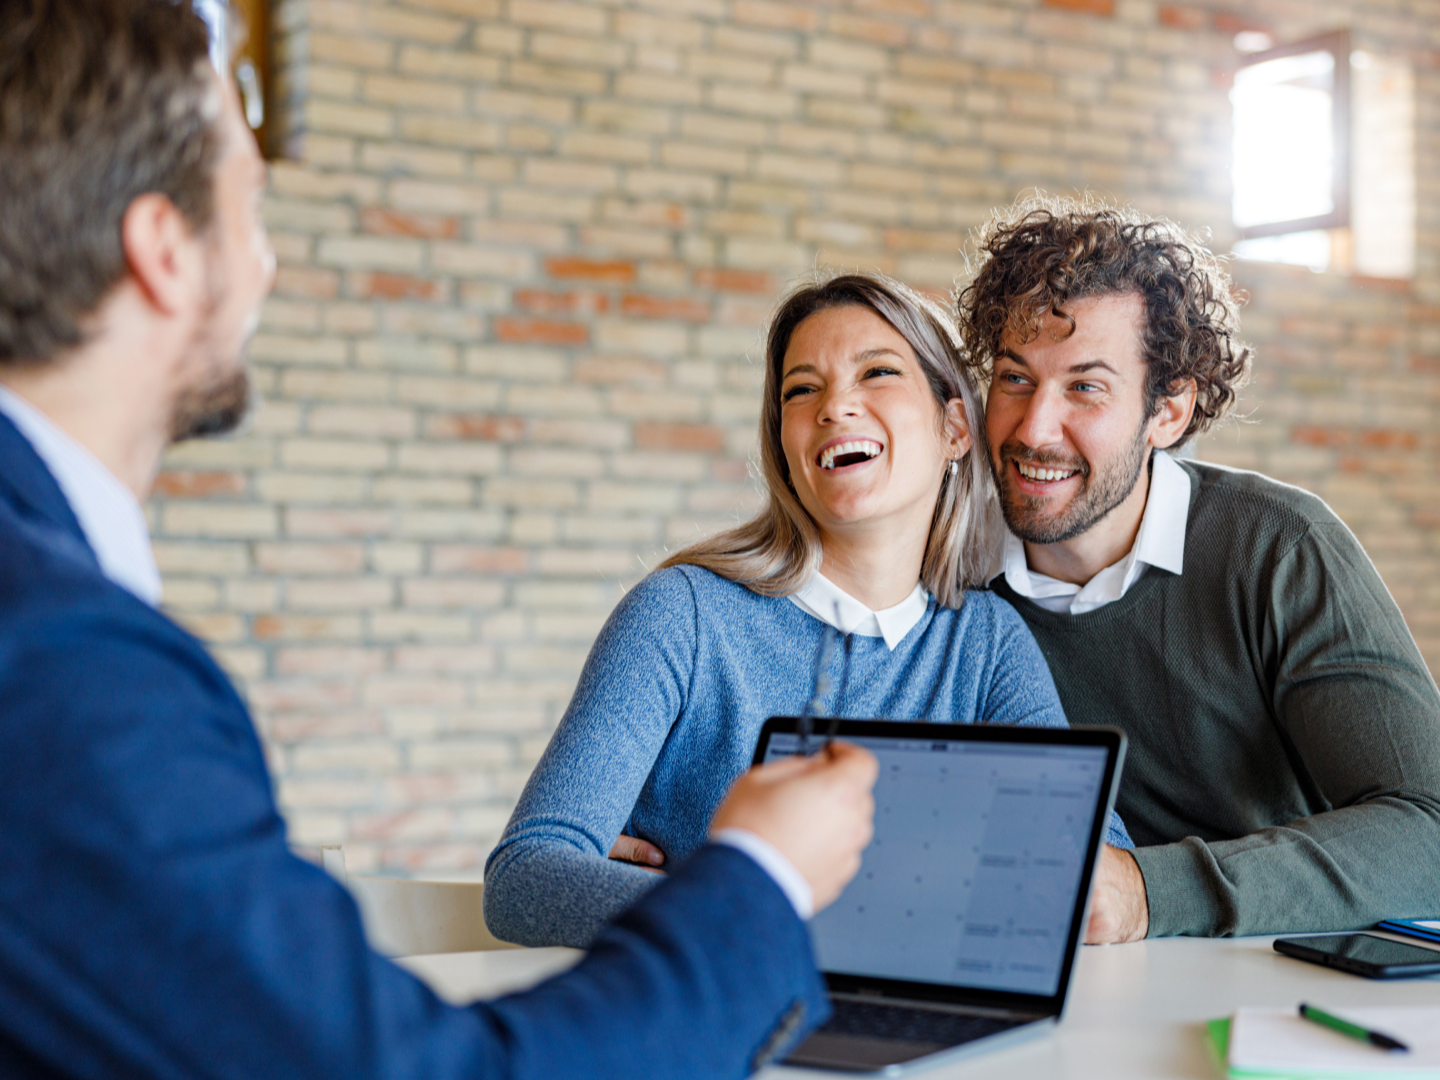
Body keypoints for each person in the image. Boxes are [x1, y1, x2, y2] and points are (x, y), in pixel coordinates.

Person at [0, 1, 883, 1077]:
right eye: (253, 208)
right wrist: (758, 877)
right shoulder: (62, 667)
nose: (269, 267)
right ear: (164, 256)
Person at [483, 271, 1133, 950]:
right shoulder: (684, 617)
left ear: (955, 428)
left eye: (876, 373)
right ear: (786, 447)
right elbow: (525, 881)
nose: (835, 406)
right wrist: (742, 900)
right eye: (802, 389)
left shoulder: (987, 642)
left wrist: (711, 896)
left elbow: (1090, 873)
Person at [956, 195, 1440, 943]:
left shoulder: (1279, 548)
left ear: (1168, 412)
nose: (1033, 428)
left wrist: (1150, 891)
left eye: (1085, 387)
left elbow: (1429, 828)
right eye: (1015, 379)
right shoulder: (945, 570)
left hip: (1272, 992)